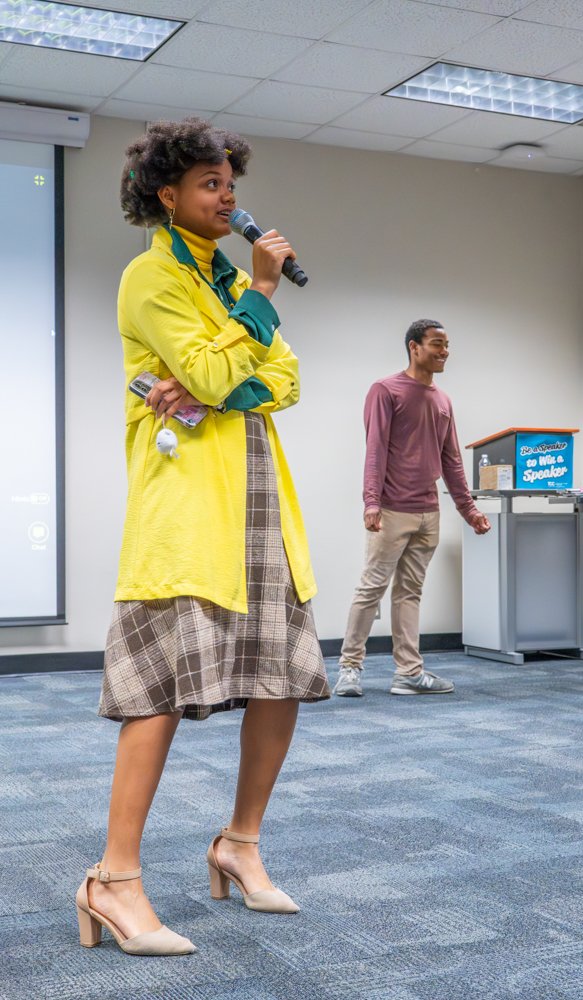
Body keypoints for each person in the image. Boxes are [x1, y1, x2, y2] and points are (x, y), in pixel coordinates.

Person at [75, 118, 329, 957]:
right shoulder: (151, 277)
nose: (229, 198)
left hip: (258, 500)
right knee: (157, 693)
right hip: (187, 511)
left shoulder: (226, 280)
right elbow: (222, 369)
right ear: (167, 193)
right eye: (211, 184)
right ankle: (113, 880)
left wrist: (214, 380)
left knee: (280, 679)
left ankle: (239, 844)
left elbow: (284, 378)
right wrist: (251, 316)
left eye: (230, 184)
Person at [334, 320, 490, 698]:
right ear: (414, 347)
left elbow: (451, 460)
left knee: (409, 593)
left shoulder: (443, 401)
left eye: (447, 345)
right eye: (436, 344)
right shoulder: (386, 390)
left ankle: (409, 672)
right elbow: (375, 450)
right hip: (392, 509)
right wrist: (372, 501)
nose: (444, 351)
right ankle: (349, 669)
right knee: (371, 588)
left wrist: (468, 510)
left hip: (428, 513)